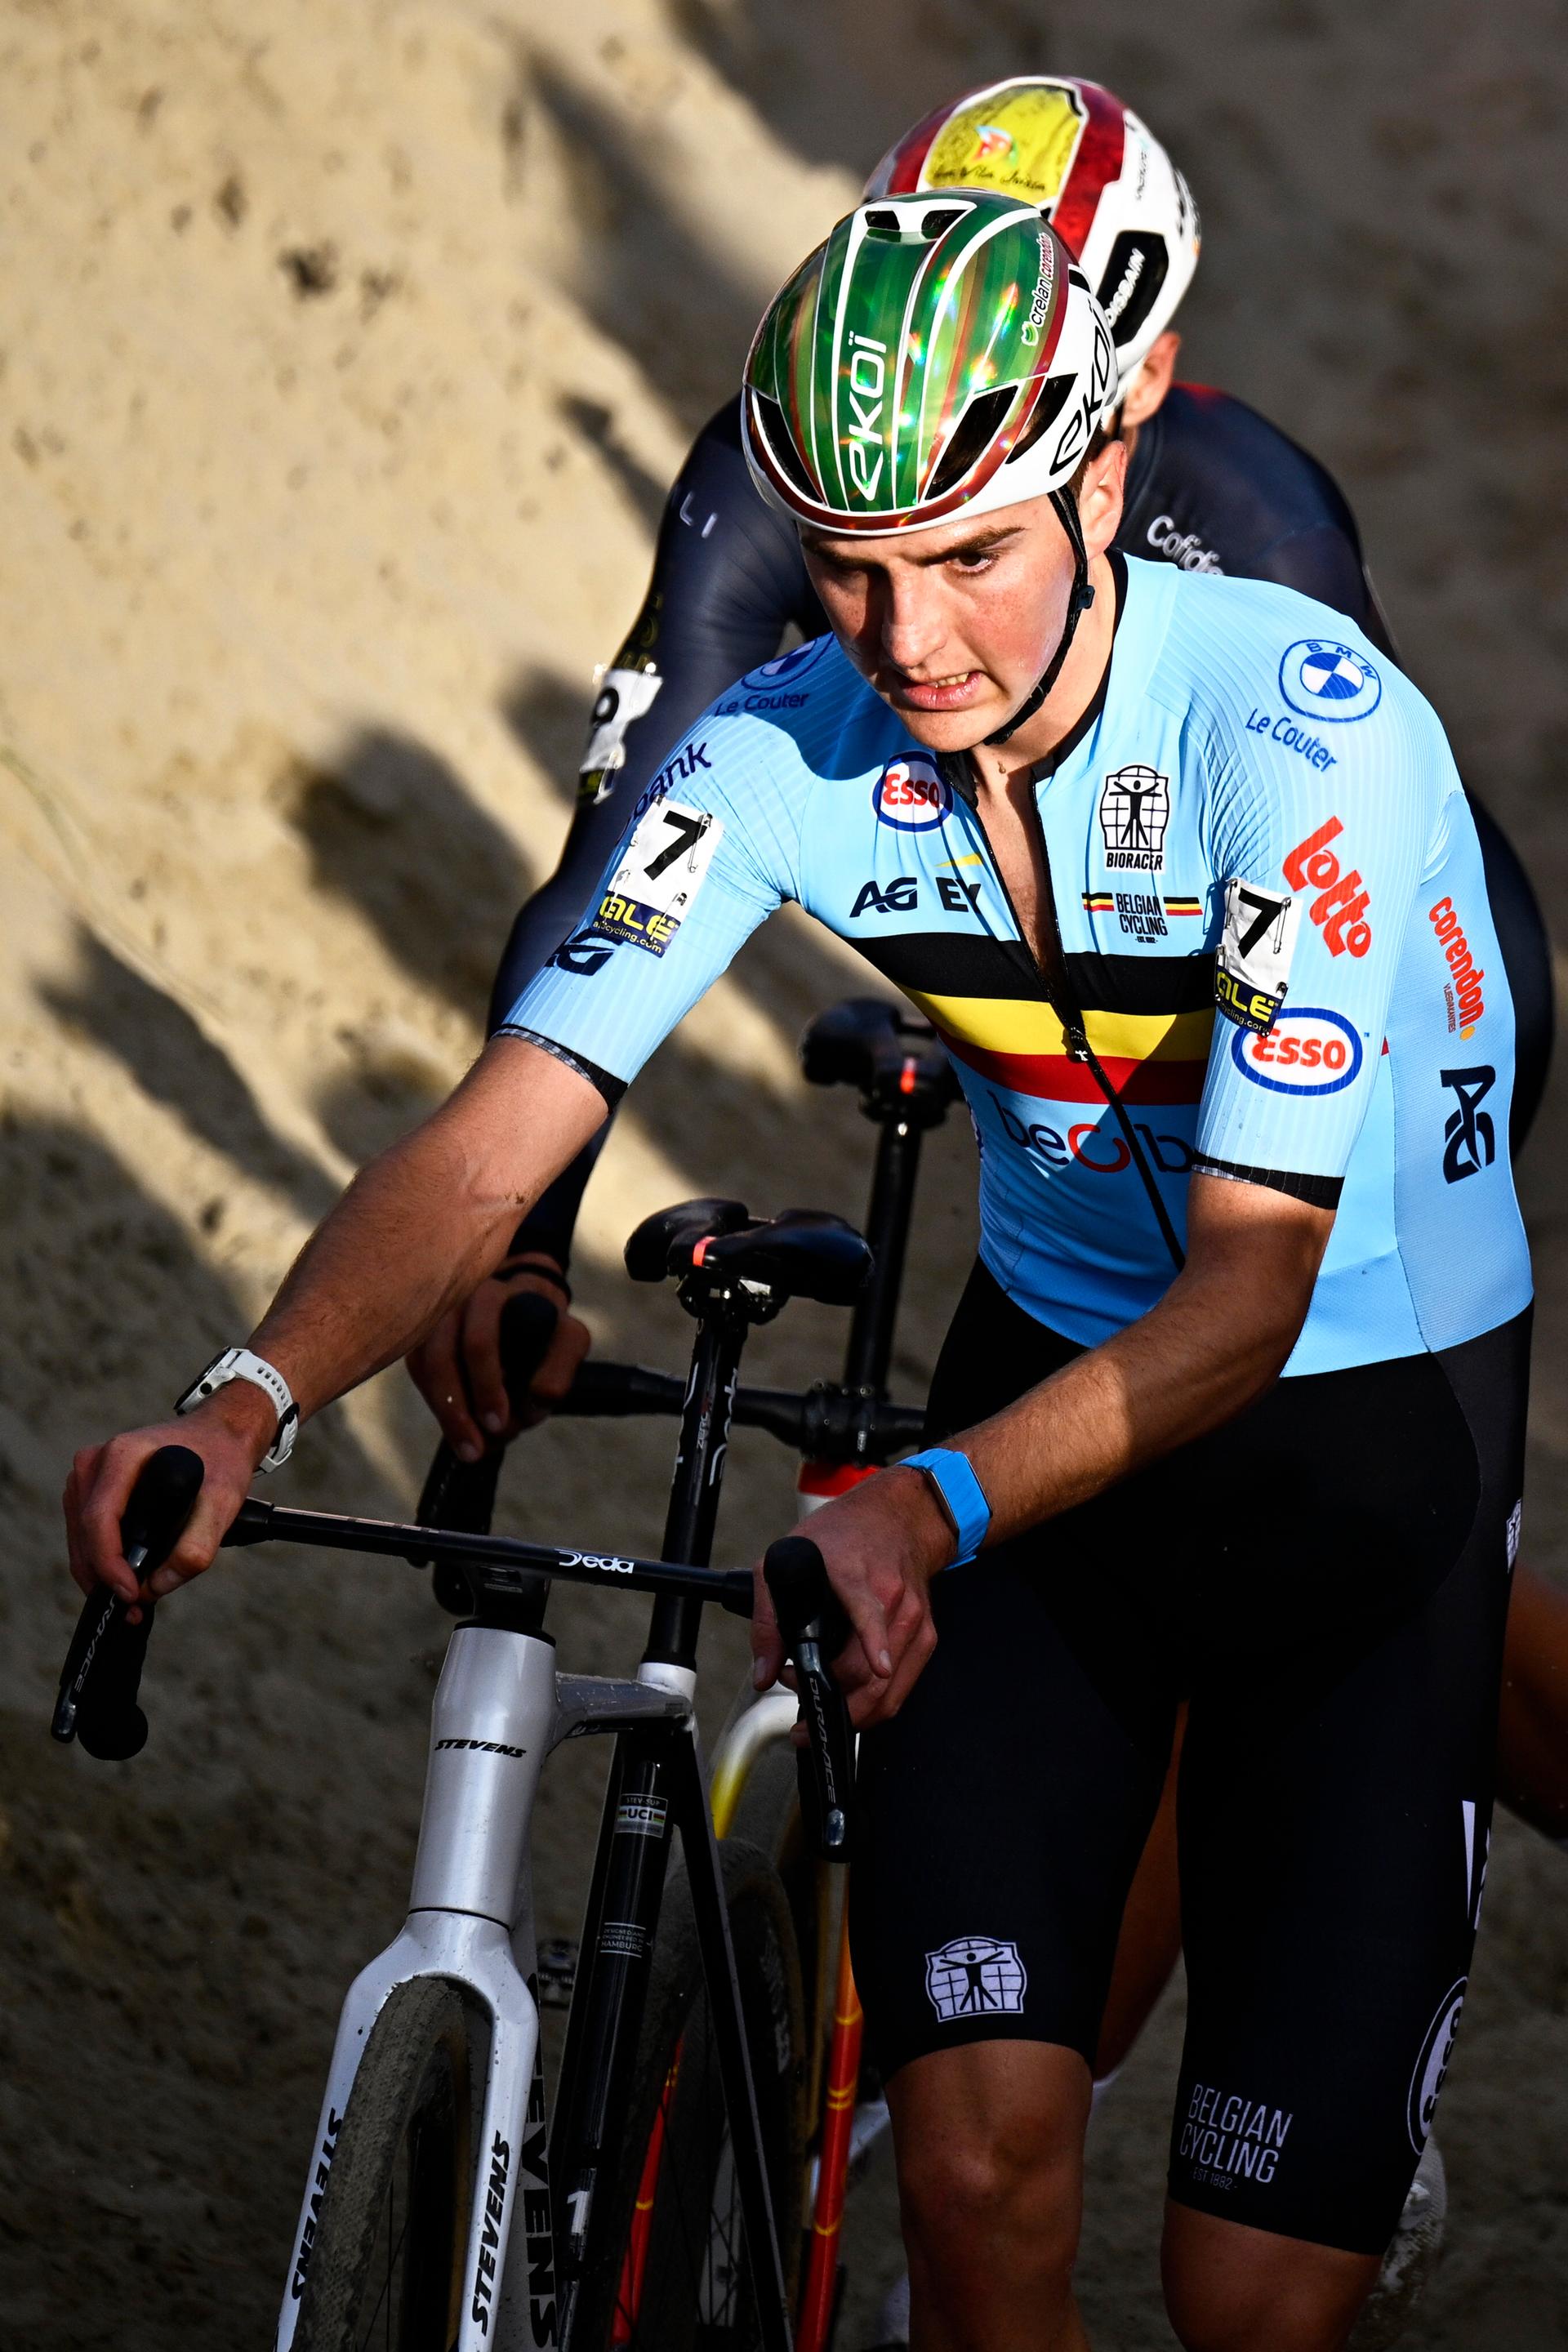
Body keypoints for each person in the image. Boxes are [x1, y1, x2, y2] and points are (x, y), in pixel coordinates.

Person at [68, 195, 1532, 2351]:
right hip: (1056, 1425)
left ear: (1105, 480)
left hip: (1350, 1446)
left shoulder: (1309, 738)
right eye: (850, 562)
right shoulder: (783, 742)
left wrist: (914, 1504)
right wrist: (248, 1393)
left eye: (970, 556)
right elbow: (505, 1125)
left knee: (1253, 2306)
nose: (908, 634)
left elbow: (1246, 1301)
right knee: (969, 2170)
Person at [446, 74, 1548, 1463]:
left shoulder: (1247, 506)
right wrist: (524, 1252)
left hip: (1365, 1011)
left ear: (1139, 376)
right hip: (1013, 939)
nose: (935, 406)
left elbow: (1375, 917)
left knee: (1334, 1520)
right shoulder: (779, 462)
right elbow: (614, 869)